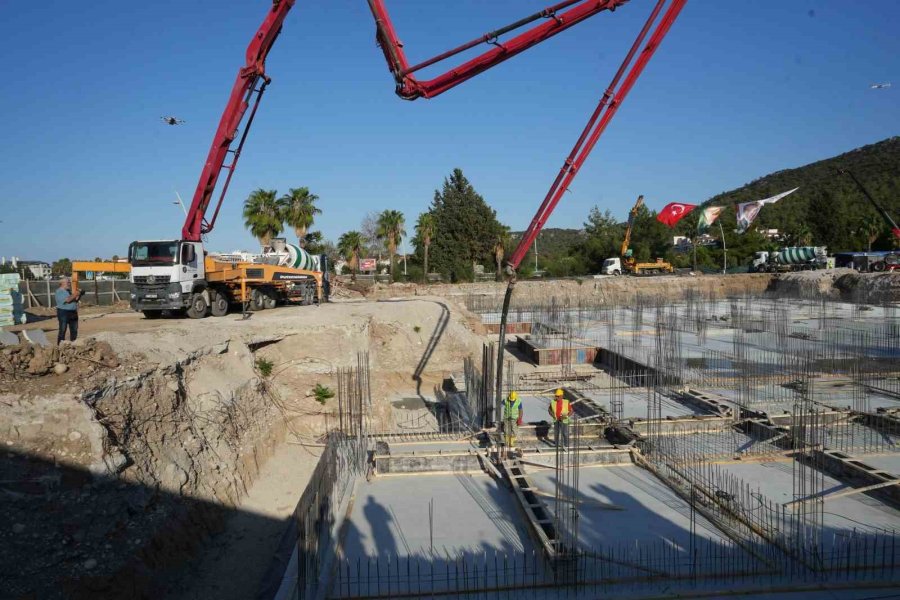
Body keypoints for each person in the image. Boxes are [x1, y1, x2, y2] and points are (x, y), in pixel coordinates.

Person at [55, 277, 83, 344]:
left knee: (74, 330)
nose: (69, 284)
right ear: (62, 283)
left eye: (69, 282)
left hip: (73, 312)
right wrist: (76, 293)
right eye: (68, 282)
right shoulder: (59, 291)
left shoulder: (69, 291)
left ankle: (73, 344)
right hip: (63, 312)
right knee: (63, 330)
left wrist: (80, 294)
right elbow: (68, 300)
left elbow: (75, 300)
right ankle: (60, 346)